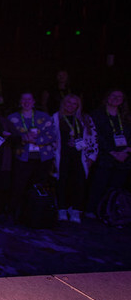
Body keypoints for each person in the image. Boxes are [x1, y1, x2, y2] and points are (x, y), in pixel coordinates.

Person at [7, 92, 57, 221]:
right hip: (22, 157)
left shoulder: (44, 117)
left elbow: (52, 135)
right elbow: (8, 137)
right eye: (24, 99)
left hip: (43, 158)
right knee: (19, 186)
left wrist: (36, 140)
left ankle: (36, 214)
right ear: (20, 102)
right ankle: (15, 214)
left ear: (34, 102)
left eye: (29, 99)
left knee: (39, 186)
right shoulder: (12, 118)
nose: (27, 102)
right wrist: (23, 138)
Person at [52, 94, 97, 223]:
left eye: (74, 104)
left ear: (78, 105)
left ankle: (75, 210)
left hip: (80, 156)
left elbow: (93, 138)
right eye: (68, 103)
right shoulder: (56, 117)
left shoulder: (85, 118)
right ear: (63, 103)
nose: (71, 106)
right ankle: (62, 209)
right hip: (62, 155)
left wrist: (92, 157)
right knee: (62, 183)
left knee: (79, 184)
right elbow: (50, 137)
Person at [88, 89, 131, 216]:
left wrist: (127, 151)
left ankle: (110, 212)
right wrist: (112, 152)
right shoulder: (97, 115)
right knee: (99, 184)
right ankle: (92, 210)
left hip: (125, 157)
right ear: (107, 97)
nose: (116, 99)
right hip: (105, 156)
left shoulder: (126, 117)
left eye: (119, 97)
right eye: (113, 96)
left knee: (116, 187)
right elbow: (96, 135)